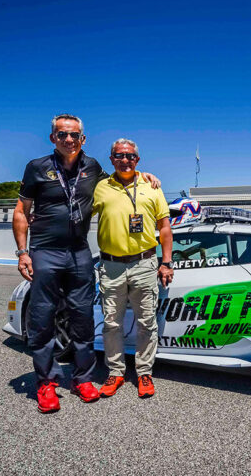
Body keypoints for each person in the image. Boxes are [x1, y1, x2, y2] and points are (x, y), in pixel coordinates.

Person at [12, 114, 161, 413]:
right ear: (52, 137)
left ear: (83, 139)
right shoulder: (37, 167)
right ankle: (46, 384)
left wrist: (144, 175)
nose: (69, 140)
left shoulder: (92, 167)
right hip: (45, 251)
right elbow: (20, 212)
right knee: (42, 318)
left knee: (82, 319)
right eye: (62, 134)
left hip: (79, 252)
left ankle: (82, 379)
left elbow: (122, 176)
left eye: (74, 135)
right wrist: (22, 252)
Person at [93, 138, 174, 399]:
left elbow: (164, 228)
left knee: (147, 323)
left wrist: (166, 262)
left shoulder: (152, 186)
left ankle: (144, 373)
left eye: (130, 156)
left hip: (144, 263)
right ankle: (115, 372)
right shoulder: (101, 187)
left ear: (137, 160)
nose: (125, 160)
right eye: (119, 155)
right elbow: (79, 217)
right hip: (111, 265)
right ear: (111, 159)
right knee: (111, 323)